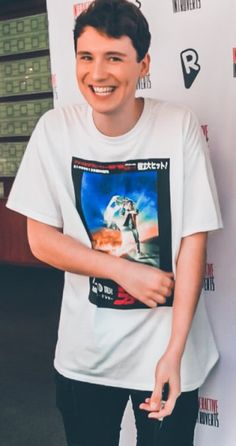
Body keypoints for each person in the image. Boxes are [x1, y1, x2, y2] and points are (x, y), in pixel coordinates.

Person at [6, 0, 223, 445]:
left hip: (169, 354)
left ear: (143, 64)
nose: (98, 73)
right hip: (86, 359)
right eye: (86, 57)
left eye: (114, 58)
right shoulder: (54, 129)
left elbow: (192, 243)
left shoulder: (177, 126)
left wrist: (174, 353)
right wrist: (123, 270)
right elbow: (40, 240)